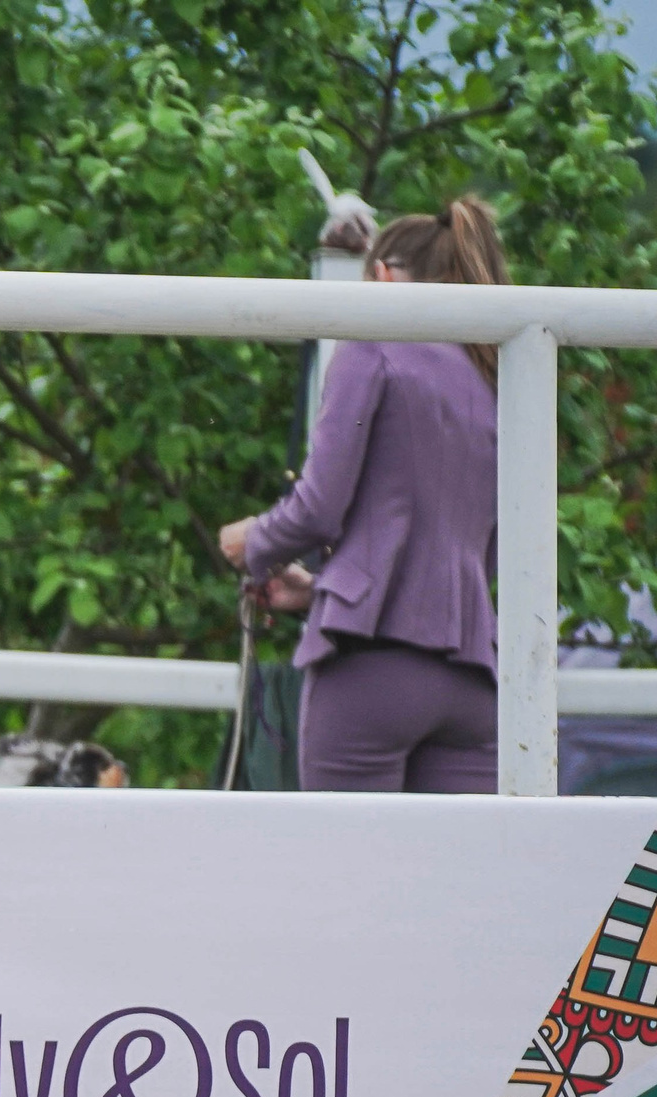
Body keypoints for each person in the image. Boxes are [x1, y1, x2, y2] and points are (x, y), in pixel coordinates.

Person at [216, 197, 508, 793]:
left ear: (380, 275)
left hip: (371, 666)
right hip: (475, 683)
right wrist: (320, 588)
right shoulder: (494, 374)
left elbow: (320, 507)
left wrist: (255, 542)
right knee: (456, 857)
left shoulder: (373, 345)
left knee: (343, 852)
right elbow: (486, 547)